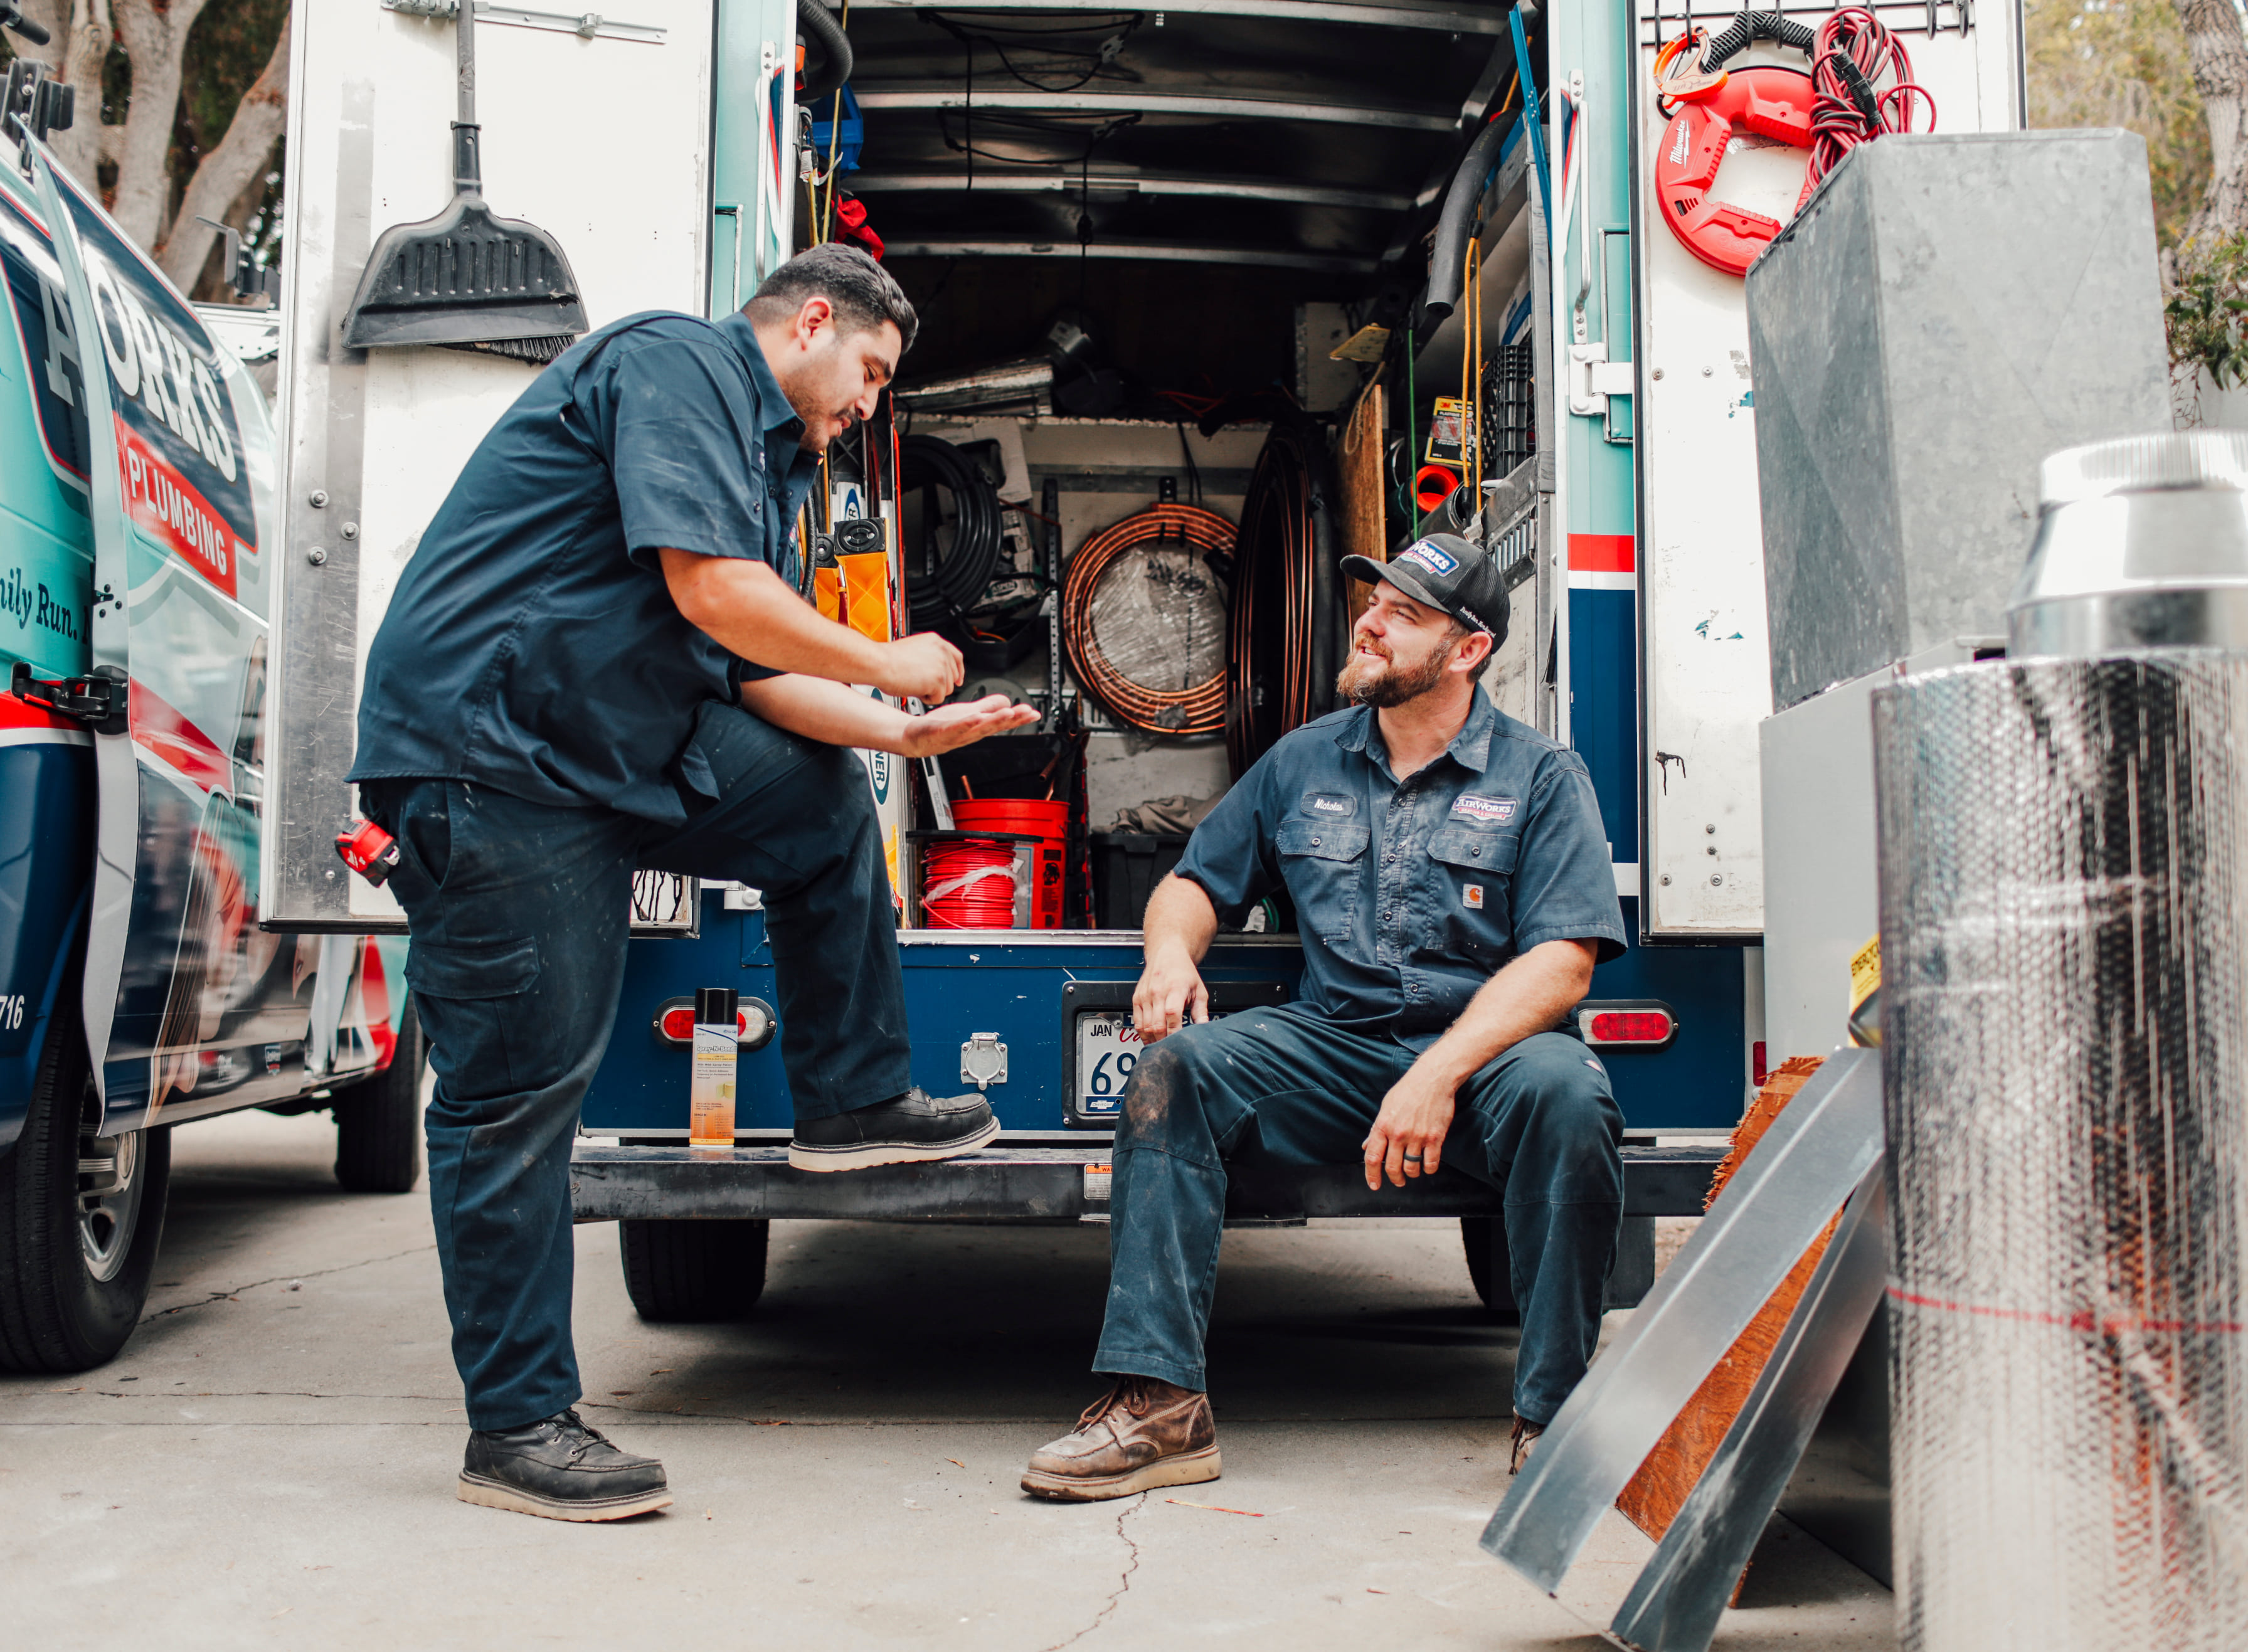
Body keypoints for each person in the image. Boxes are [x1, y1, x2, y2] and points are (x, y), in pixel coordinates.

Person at [348, 245, 1037, 1522]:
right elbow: (715, 594)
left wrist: (894, 731)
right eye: (873, 373)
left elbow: (736, 664)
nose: (871, 406)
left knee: (821, 796)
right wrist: (888, 657)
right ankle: (517, 1426)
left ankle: (850, 1102)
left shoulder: (766, 458)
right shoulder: (677, 360)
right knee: (514, 1093)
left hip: (607, 756)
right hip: (491, 761)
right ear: (813, 320)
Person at [1020, 532, 1628, 1501]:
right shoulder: (1303, 761)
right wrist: (1169, 952)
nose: (1371, 623)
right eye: (1372, 603)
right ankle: (1162, 1405)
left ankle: (1552, 1422)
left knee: (1569, 1097)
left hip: (1484, 1061)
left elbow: (1562, 964)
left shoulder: (1542, 777)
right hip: (1335, 1046)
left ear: (1467, 649)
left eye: (1404, 614)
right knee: (1176, 1072)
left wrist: (1436, 1076)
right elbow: (1191, 880)